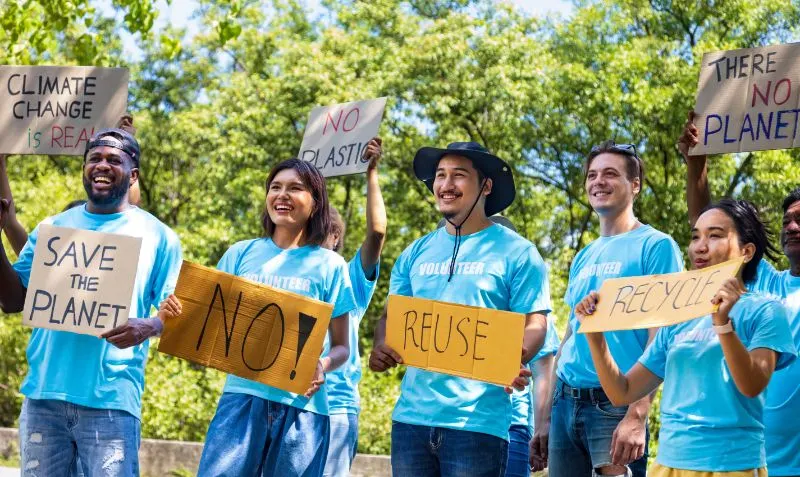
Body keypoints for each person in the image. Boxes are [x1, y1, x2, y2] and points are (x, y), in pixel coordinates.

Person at [0, 128, 183, 476]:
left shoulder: (160, 237)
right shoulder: (52, 228)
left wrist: (150, 325)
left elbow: (175, 311)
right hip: (44, 398)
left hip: (111, 402)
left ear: (133, 175)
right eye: (94, 158)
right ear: (84, 167)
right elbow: (12, 301)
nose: (102, 165)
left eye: (114, 160)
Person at [160, 158, 356, 476]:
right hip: (241, 398)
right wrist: (170, 316)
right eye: (275, 187)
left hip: (303, 409)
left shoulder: (331, 266)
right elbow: (200, 321)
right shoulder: (241, 254)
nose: (282, 195)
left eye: (295, 188)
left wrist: (322, 365)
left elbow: (342, 347)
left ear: (316, 201)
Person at [577, 198, 797, 477]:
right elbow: (623, 391)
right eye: (695, 237)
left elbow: (752, 385)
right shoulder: (678, 317)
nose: (700, 246)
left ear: (746, 251)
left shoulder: (766, 311)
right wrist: (595, 336)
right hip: (668, 466)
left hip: (732, 466)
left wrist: (723, 324)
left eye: (715, 235)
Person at [369, 141, 551, 476]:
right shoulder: (414, 252)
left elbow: (535, 322)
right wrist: (381, 344)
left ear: (486, 185)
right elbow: (389, 317)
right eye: (440, 175)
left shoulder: (519, 253)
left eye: (458, 175)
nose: (446, 184)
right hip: (410, 421)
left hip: (477, 424)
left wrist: (515, 354)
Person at [549, 140, 683, 477]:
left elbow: (662, 336)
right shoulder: (583, 255)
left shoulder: (657, 245)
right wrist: (547, 414)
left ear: (634, 185)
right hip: (565, 401)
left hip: (615, 407)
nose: (598, 182)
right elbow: (571, 333)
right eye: (592, 175)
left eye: (610, 174)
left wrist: (637, 414)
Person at [679, 111, 800, 477]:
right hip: (753, 459)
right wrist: (696, 165)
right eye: (787, 220)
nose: (793, 226)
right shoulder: (766, 287)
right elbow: (712, 229)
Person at [321, 138, 386, 476]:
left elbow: (376, 233)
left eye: (321, 229)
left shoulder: (349, 277)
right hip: (289, 402)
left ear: (335, 237)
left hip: (335, 406)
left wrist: (371, 173)